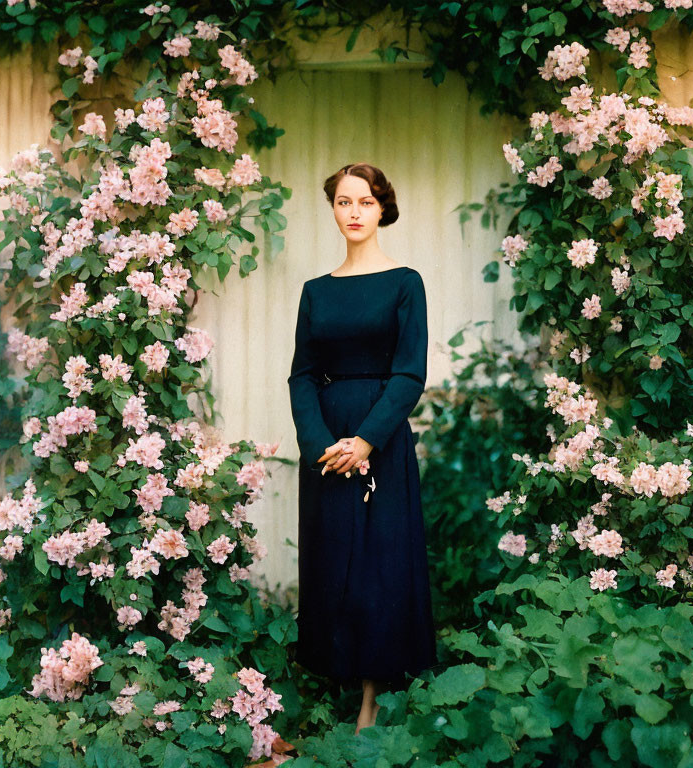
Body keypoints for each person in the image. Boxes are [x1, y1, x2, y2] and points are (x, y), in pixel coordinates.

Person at [287, 162, 438, 735]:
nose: (354, 212)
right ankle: (340, 674)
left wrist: (367, 439)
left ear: (383, 210)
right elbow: (302, 376)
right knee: (336, 559)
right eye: (344, 202)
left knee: (380, 563)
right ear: (333, 210)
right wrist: (320, 442)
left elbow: (409, 374)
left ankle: (373, 702)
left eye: (366, 202)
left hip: (380, 439)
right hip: (327, 447)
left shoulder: (405, 283)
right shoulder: (316, 292)